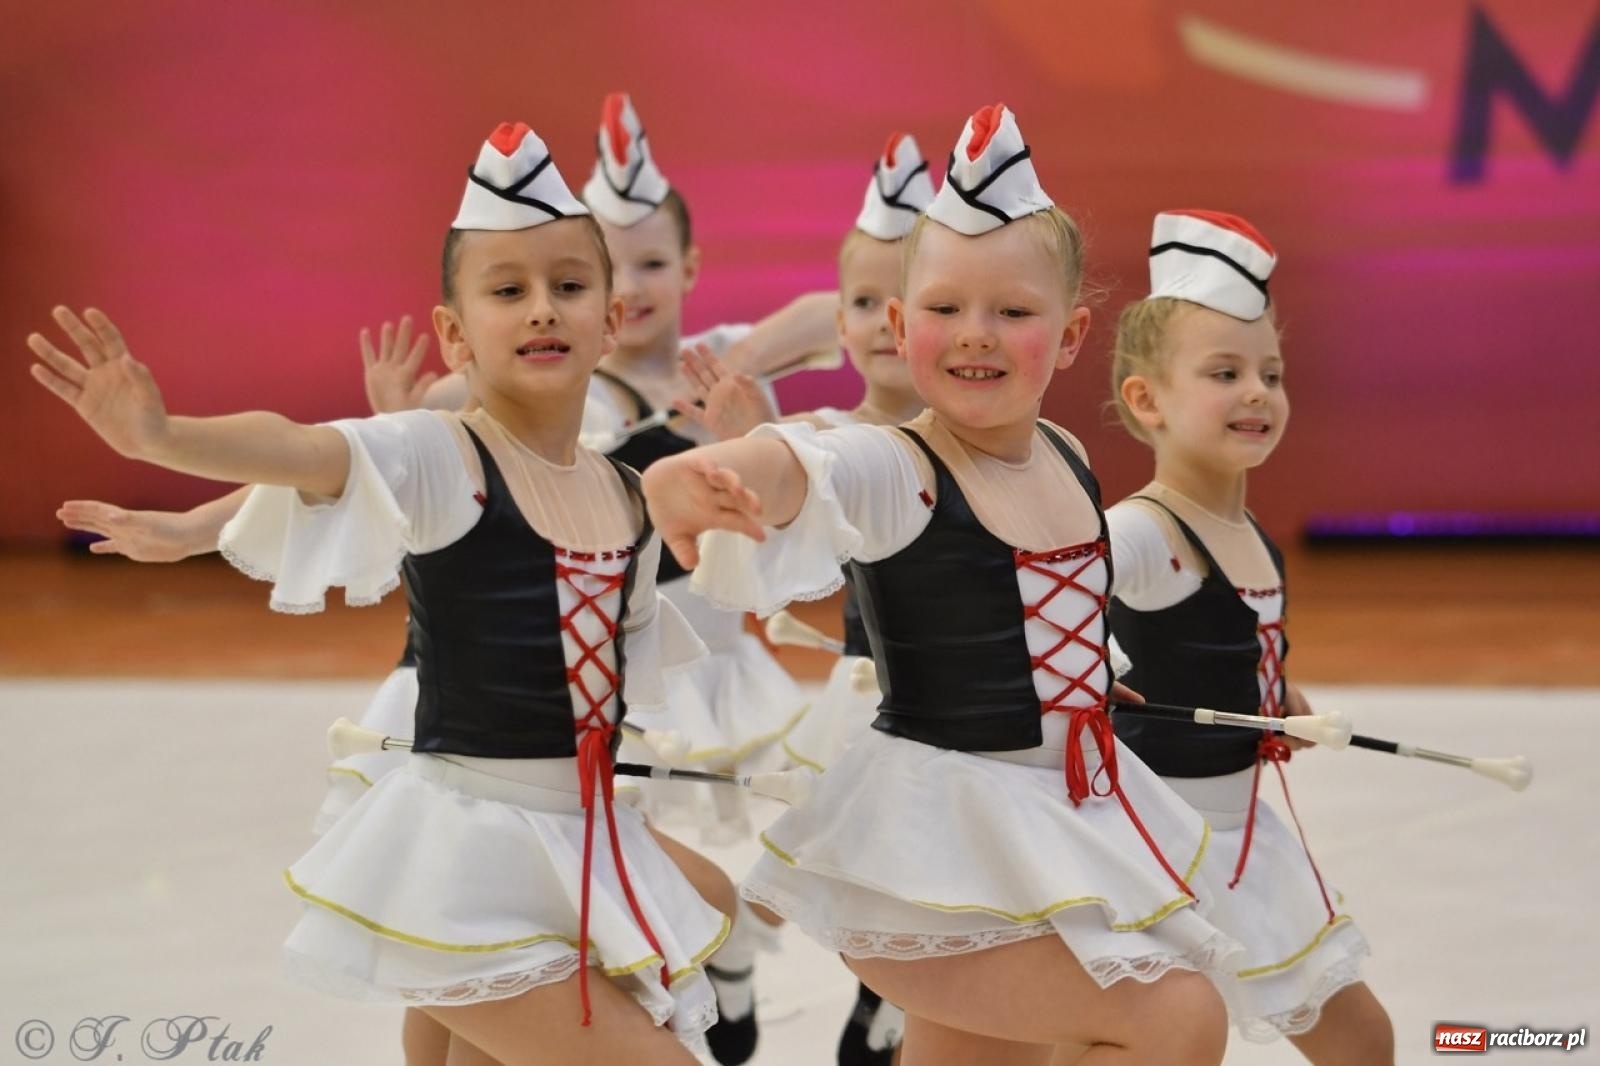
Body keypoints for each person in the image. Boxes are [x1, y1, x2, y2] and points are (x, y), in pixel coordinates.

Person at [30, 121, 739, 1064]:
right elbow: (307, 449)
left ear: (611, 318)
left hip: (583, 843)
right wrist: (165, 439)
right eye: (507, 290)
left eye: (569, 287)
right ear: (453, 333)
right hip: (470, 855)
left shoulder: (623, 492)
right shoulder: (442, 455)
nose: (541, 309)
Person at [640, 105, 1237, 1065]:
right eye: (947, 309)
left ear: (1073, 332)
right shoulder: (898, 465)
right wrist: (708, 476)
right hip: (934, 855)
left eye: (1013, 312)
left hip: (1058, 823)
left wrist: (1074, 685)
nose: (976, 335)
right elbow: (808, 465)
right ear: (898, 322)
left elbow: (1055, 610)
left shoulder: (1069, 455)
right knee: (1174, 1015)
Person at [1106, 209, 1393, 1063]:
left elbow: (1229, 643)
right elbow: (1042, 598)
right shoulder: (1148, 533)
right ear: (1146, 399)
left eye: (1271, 372)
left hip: (1241, 839)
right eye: (1225, 372)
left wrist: (1274, 699)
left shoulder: (1252, 533)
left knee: (1362, 1038)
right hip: (1148, 847)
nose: (1258, 392)